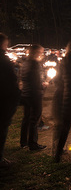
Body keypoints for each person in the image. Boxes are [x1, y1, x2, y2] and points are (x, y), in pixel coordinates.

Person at [20, 44, 47, 150]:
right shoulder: (35, 64)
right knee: (34, 119)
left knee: (26, 118)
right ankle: (33, 143)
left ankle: (23, 142)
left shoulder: (25, 63)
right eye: (41, 52)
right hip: (35, 94)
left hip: (26, 94)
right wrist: (44, 84)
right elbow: (37, 81)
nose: (42, 55)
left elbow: (23, 78)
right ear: (36, 53)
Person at [0, 33, 20, 167]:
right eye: (6, 43)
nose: (7, 46)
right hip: (4, 99)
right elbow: (11, 79)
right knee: (2, 128)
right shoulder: (3, 60)